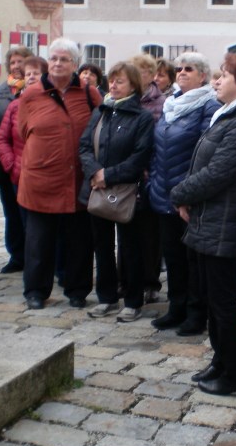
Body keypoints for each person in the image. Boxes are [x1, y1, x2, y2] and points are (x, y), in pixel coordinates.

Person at [171, 53, 236, 396]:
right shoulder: (229, 115)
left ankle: (235, 377)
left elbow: (219, 173)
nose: (216, 81)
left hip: (224, 218)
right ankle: (221, 361)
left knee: (223, 302)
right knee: (214, 299)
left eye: (223, 76)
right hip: (209, 216)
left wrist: (180, 193)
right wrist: (188, 196)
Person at [18, 38, 101, 310]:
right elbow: (23, 131)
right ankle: (36, 291)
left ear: (74, 64)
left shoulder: (89, 94)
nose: (57, 63)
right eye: (53, 58)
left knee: (79, 241)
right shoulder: (31, 94)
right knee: (38, 241)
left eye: (64, 59)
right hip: (41, 179)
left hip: (78, 179)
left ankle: (77, 290)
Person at [148, 52, 219, 333]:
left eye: (189, 69)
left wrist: (187, 193)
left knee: (192, 260)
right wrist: (155, 180)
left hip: (188, 196)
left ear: (202, 75)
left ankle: (195, 313)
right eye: (179, 69)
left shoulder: (208, 107)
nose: (181, 73)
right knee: (173, 256)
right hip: (163, 190)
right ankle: (175, 307)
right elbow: (158, 149)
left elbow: (204, 154)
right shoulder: (170, 105)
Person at [80, 62, 155, 322]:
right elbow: (84, 145)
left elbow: (140, 155)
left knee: (130, 248)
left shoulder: (143, 117)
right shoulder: (101, 111)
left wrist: (108, 175)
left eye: (120, 81)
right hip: (96, 188)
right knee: (101, 246)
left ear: (133, 85)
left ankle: (133, 301)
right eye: (111, 80)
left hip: (126, 190)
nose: (113, 85)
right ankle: (107, 297)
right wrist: (94, 172)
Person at [0, 45, 33, 274]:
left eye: (20, 61)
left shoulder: (34, 89)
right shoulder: (4, 89)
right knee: (10, 211)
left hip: (27, 160)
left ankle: (34, 255)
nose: (16, 66)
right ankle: (16, 255)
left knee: (29, 213)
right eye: (12, 62)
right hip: (5, 160)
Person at [130, 53, 166, 303]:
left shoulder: (160, 102)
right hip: (127, 174)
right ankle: (128, 280)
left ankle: (150, 282)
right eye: (135, 70)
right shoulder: (125, 99)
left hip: (150, 173)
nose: (138, 75)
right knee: (127, 230)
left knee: (150, 234)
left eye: (143, 71)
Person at [0, 57, 47, 199]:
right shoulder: (15, 105)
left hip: (44, 175)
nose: (31, 77)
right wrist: (11, 165)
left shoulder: (53, 104)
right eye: (28, 74)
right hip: (19, 174)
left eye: (36, 73)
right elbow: (2, 139)